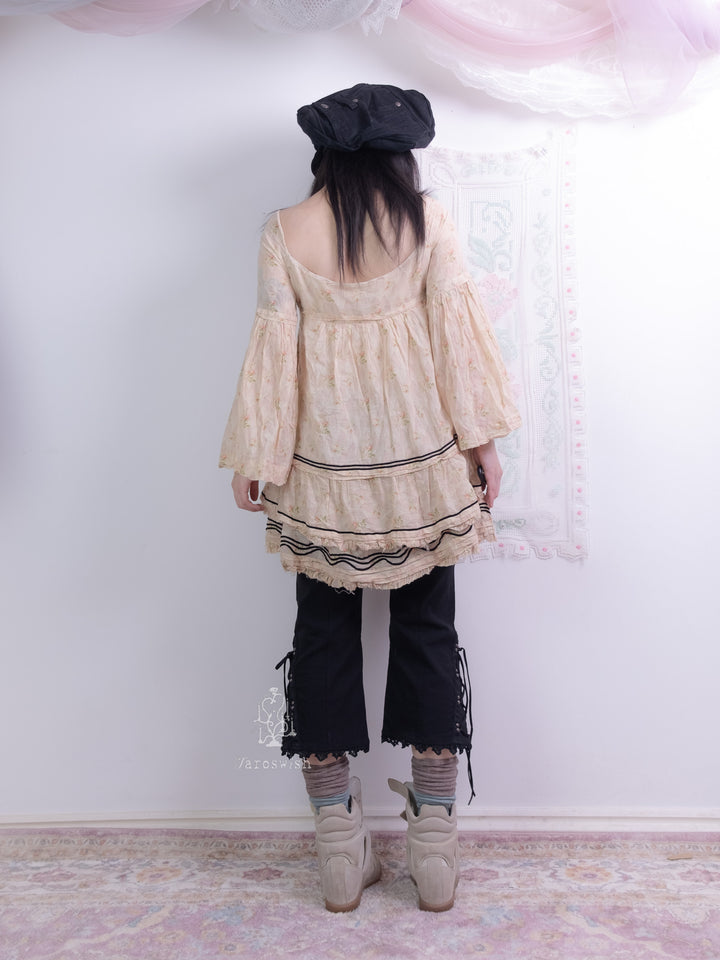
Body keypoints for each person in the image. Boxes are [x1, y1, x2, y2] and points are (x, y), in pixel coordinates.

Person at [220, 83, 521, 913]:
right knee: (428, 632)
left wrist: (256, 456)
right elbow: (458, 339)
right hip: (423, 467)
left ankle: (337, 850)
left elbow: (274, 351)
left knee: (321, 637)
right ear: (400, 157)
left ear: (324, 154)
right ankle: (435, 849)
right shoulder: (427, 223)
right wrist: (484, 444)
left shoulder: (285, 230)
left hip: (321, 473)